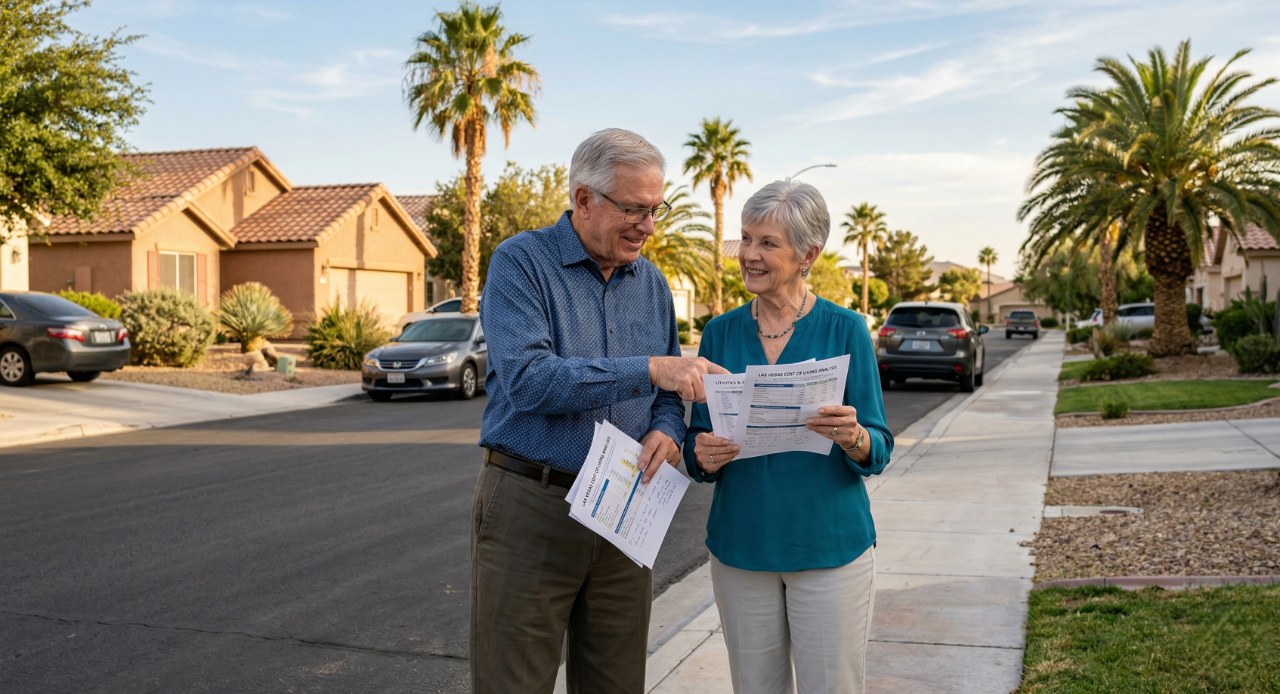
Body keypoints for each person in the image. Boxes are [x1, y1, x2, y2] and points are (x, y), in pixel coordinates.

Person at [471, 127, 727, 694]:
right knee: (513, 683)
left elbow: (667, 393)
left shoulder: (652, 284)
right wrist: (651, 370)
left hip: (626, 510)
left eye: (656, 210)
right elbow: (529, 381)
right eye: (634, 209)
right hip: (533, 505)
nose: (648, 226)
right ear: (584, 199)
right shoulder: (520, 263)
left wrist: (667, 428)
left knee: (617, 682)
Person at [683, 179, 894, 693]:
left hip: (828, 548)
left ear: (808, 255)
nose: (748, 254)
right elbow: (696, 442)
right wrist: (702, 455)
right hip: (741, 547)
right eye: (746, 238)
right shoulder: (719, 333)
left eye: (767, 243)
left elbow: (878, 445)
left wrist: (853, 436)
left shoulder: (846, 329)